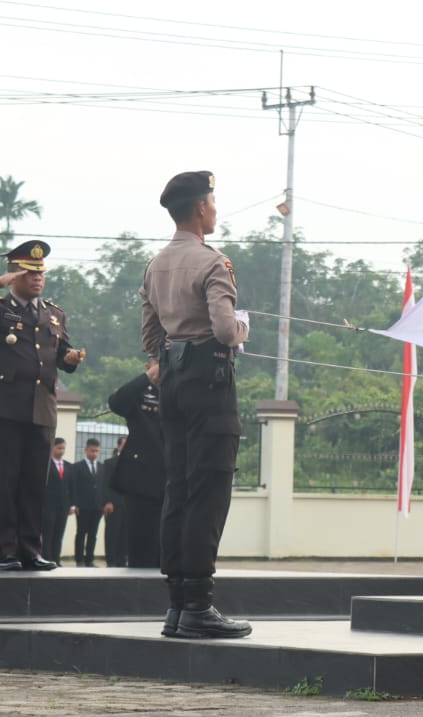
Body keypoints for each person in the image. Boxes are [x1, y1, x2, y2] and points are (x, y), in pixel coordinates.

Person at [140, 170, 251, 639]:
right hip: (210, 383)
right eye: (213, 202)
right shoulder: (213, 262)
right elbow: (226, 331)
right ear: (201, 210)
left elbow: (150, 337)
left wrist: (169, 360)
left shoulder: (156, 264)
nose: (215, 209)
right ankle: (200, 607)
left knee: (179, 490)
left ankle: (177, 606)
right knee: (209, 493)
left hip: (174, 383)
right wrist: (243, 331)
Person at [0, 240, 83, 572]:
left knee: (32, 484)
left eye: (41, 274)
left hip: (42, 408)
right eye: (30, 273)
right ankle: (6, 551)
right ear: (15, 275)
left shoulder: (54, 313)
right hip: (6, 407)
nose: (38, 279)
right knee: (4, 481)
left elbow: (62, 356)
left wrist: (70, 359)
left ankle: (30, 549)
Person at [108, 369, 167, 569]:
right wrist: (147, 377)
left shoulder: (181, 387)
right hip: (141, 479)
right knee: (141, 546)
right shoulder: (142, 390)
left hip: (172, 477)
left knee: (167, 548)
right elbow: (117, 403)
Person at [68, 438, 104, 567]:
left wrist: (103, 503)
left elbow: (102, 487)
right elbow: (74, 487)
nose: (94, 453)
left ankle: (89, 559)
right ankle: (79, 559)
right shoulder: (77, 467)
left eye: (97, 451)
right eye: (92, 450)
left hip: (97, 507)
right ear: (86, 450)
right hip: (82, 506)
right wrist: (75, 504)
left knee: (93, 534)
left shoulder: (101, 467)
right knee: (81, 533)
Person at [100, 437, 129, 568]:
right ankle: (111, 560)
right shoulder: (109, 463)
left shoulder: (132, 463)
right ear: (118, 447)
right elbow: (104, 484)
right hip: (113, 505)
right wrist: (107, 501)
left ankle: (121, 560)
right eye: (124, 445)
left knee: (124, 534)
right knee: (112, 533)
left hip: (128, 505)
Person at [43, 437, 70, 564]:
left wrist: (72, 504)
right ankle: (47, 558)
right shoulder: (46, 466)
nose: (61, 451)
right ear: (52, 448)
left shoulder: (69, 466)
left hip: (63, 507)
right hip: (48, 506)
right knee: (48, 534)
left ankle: (56, 559)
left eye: (63, 448)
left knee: (59, 534)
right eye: (59, 448)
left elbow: (72, 487)